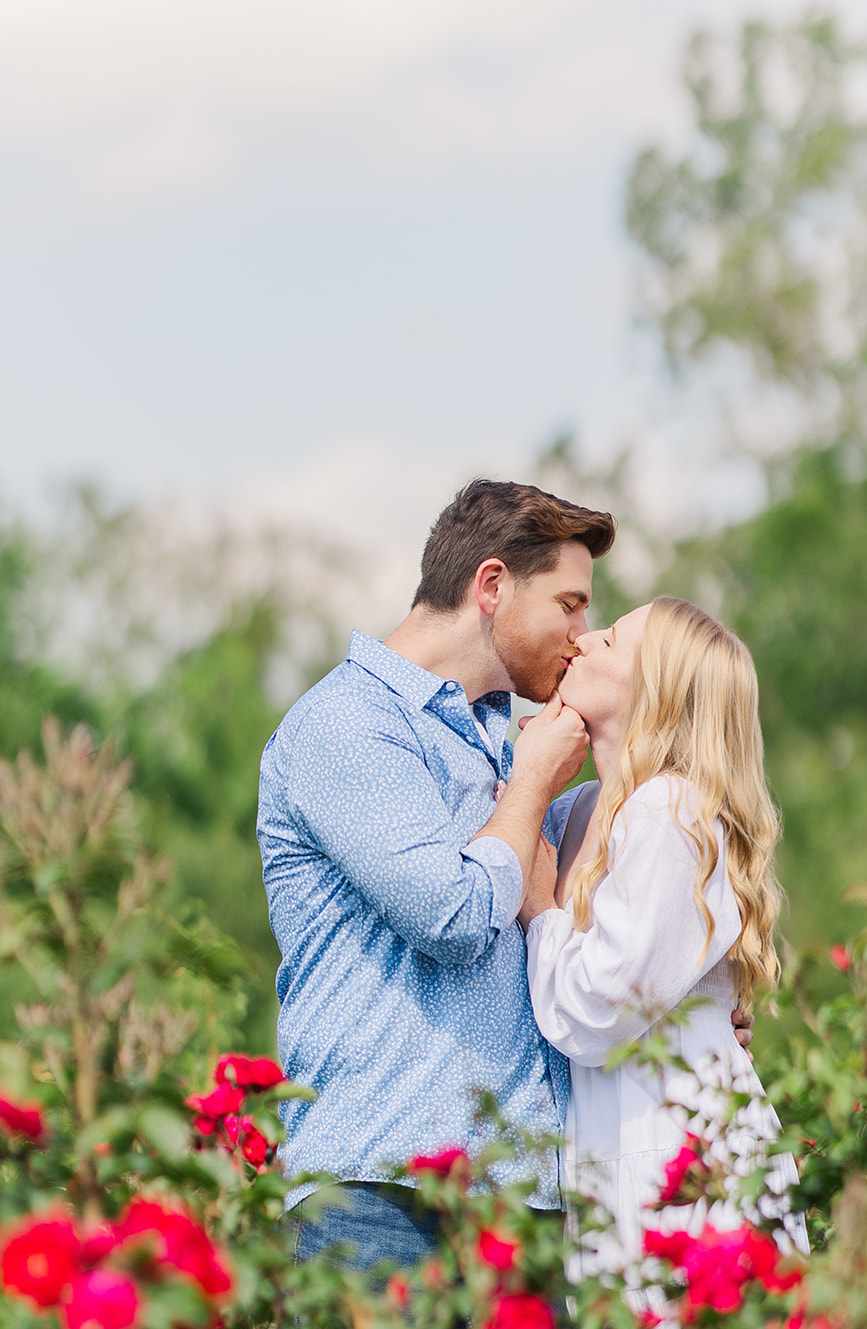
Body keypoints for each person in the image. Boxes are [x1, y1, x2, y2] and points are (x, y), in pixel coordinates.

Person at [256, 480, 610, 1273]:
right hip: (380, 1202)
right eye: (569, 604)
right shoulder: (347, 724)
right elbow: (450, 917)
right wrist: (527, 789)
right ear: (491, 587)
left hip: (523, 1206)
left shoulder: (500, 740)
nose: (581, 635)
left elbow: (571, 918)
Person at [520, 597, 808, 1269]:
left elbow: (602, 1005)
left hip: (674, 1145)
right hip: (625, 1137)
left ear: (654, 692)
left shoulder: (669, 812)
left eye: (612, 640)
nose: (584, 641)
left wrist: (538, 908)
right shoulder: (590, 808)